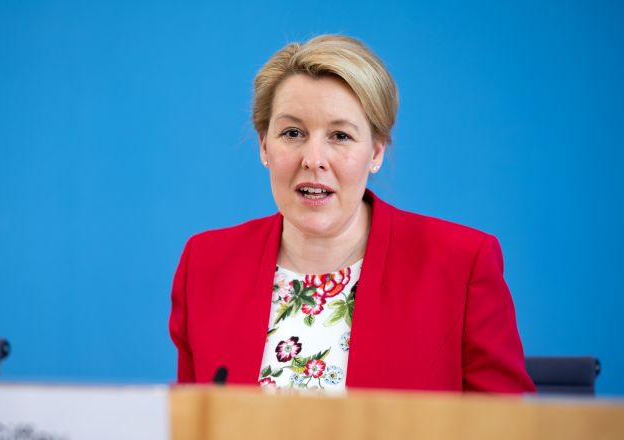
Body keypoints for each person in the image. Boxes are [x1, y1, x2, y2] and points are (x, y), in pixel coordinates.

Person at [169, 34, 535, 393]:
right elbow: (191, 425)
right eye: (293, 133)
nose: (313, 160)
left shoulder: (460, 264)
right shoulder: (205, 264)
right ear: (264, 144)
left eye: (340, 136)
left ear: (376, 151)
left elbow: (508, 428)